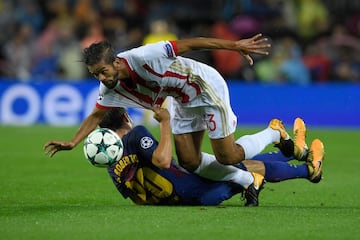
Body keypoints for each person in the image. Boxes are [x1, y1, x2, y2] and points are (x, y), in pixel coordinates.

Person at [43, 34, 307, 205]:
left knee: (228, 156)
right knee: (189, 162)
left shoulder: (145, 56)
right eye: (95, 75)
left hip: (204, 87)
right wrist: (73, 142)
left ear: (116, 63)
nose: (101, 79)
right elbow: (96, 115)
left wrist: (235, 46)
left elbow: (192, 43)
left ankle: (274, 133)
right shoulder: (110, 88)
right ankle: (249, 181)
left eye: (102, 71)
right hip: (180, 100)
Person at [96, 107, 324, 206]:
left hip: (194, 201)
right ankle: (306, 166)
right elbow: (163, 160)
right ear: (126, 116)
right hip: (195, 188)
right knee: (239, 165)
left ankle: (298, 152)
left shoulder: (110, 164)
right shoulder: (136, 134)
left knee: (239, 166)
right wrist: (165, 122)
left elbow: (136, 198)